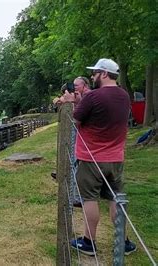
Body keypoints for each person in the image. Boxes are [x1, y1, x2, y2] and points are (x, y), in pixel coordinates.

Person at [64, 58, 136, 256]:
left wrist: (72, 103)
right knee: (115, 199)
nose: (92, 76)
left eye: (95, 73)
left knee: (89, 198)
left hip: (91, 158)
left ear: (104, 74)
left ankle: (89, 242)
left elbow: (76, 120)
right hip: (116, 158)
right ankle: (124, 242)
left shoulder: (93, 96)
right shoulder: (124, 96)